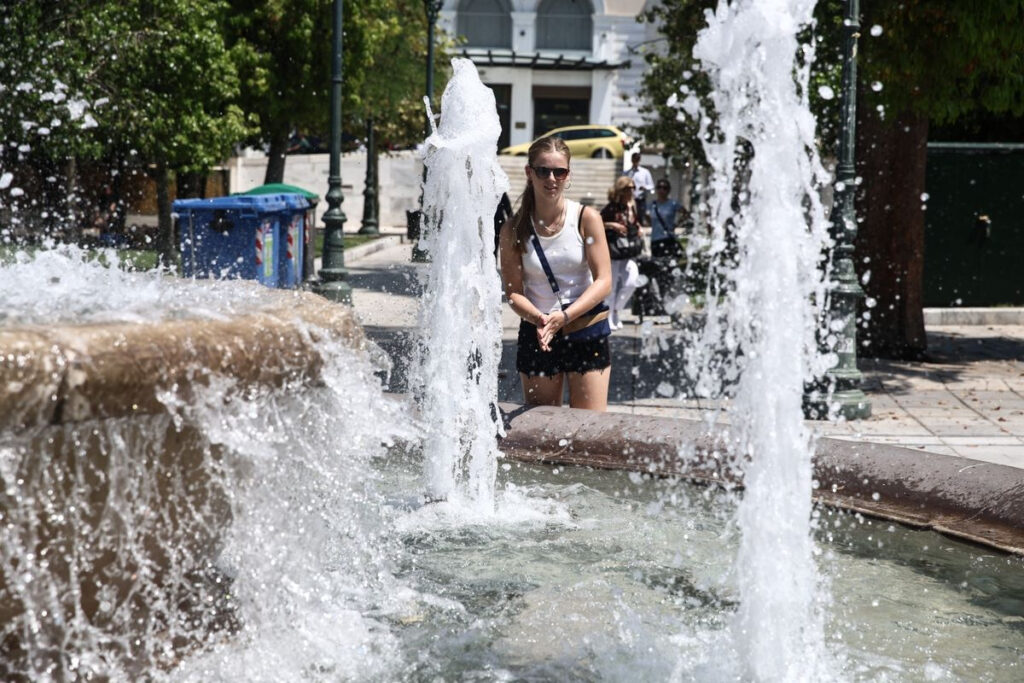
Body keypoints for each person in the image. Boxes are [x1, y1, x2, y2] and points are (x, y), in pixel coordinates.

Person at [498, 136, 613, 411]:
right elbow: (513, 292)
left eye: (559, 171)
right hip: (539, 334)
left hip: (585, 328)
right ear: (529, 172)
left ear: (568, 174)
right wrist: (540, 318)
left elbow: (604, 280)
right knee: (543, 434)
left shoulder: (587, 218)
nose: (551, 178)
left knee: (588, 432)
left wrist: (564, 317)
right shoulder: (513, 229)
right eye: (543, 170)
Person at [600, 176, 643, 330]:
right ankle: (609, 315)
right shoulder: (612, 207)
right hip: (613, 252)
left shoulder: (632, 206)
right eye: (628, 188)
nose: (631, 191)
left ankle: (617, 309)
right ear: (621, 190)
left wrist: (639, 228)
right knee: (611, 287)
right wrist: (613, 225)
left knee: (632, 281)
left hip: (628, 252)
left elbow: (635, 222)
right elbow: (597, 222)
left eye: (633, 188)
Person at [649, 179, 683, 259]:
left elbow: (685, 214)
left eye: (665, 188)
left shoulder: (673, 204)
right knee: (656, 264)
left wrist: (677, 224)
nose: (662, 190)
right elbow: (647, 217)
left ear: (668, 190)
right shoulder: (652, 204)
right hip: (655, 239)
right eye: (659, 187)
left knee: (668, 264)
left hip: (668, 238)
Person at [623, 152, 655, 225]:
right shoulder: (627, 173)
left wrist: (645, 187)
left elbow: (651, 185)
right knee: (629, 216)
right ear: (632, 160)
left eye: (637, 159)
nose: (636, 161)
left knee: (640, 217)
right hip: (630, 199)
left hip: (641, 199)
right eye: (634, 159)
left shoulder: (645, 172)